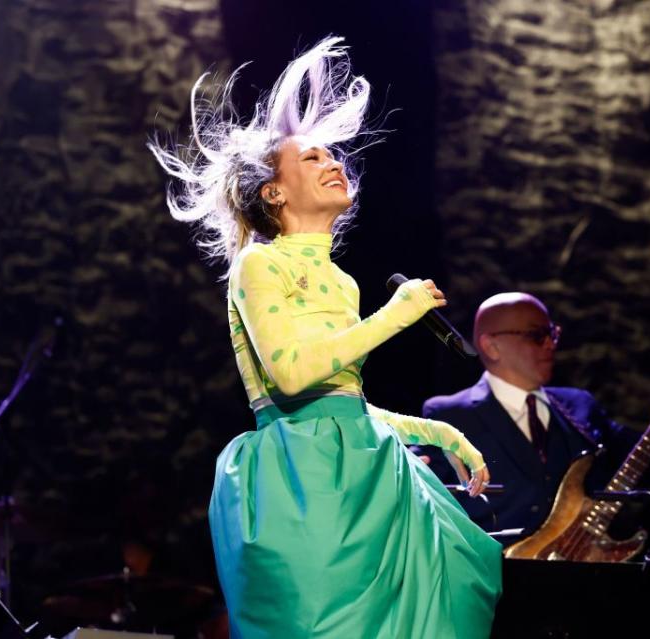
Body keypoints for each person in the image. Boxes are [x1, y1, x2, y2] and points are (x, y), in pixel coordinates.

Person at [149, 37, 501, 638]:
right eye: (312, 159)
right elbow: (291, 376)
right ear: (274, 192)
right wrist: (396, 316)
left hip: (363, 466)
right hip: (300, 484)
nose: (335, 164)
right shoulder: (259, 265)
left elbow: (342, 407)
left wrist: (436, 430)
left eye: (333, 156)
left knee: (461, 575)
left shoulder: (342, 282)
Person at [422, 292, 650, 537]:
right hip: (500, 589)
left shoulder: (579, 406)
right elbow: (421, 504)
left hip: (587, 582)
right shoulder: (448, 414)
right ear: (491, 346)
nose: (550, 345)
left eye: (552, 334)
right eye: (536, 335)